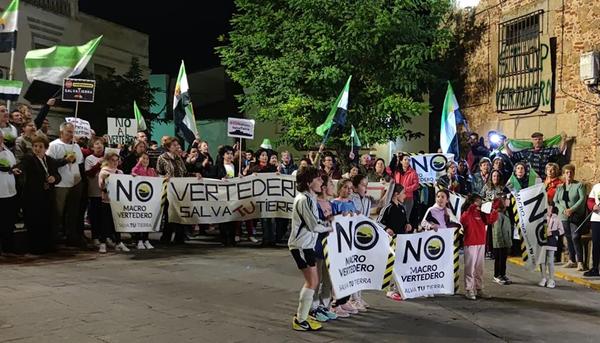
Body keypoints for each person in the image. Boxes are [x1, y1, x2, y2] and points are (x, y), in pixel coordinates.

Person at [288, 166, 332, 331]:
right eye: (318, 179)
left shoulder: (309, 197)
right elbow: (313, 225)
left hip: (306, 245)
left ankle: (302, 317)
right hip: (301, 246)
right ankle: (300, 320)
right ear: (308, 182)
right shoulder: (304, 200)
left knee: (312, 281)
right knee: (312, 282)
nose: (322, 182)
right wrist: (329, 226)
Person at [19, 135, 61, 254]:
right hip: (33, 197)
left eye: (40, 146)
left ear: (46, 148)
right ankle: (35, 247)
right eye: (35, 146)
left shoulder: (50, 160)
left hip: (47, 196)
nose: (37, 149)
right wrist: (19, 169)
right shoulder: (29, 159)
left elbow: (58, 176)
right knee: (34, 222)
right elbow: (22, 165)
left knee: (48, 221)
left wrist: (54, 178)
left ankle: (48, 245)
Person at [46, 122, 85, 247]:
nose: (71, 134)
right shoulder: (54, 145)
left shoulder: (76, 147)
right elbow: (49, 164)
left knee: (73, 211)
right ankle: (54, 237)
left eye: (72, 132)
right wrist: (64, 161)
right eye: (68, 132)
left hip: (75, 182)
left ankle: (71, 235)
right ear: (61, 132)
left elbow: (79, 163)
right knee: (58, 212)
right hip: (61, 184)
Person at [377, 184, 412, 301]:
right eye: (403, 193)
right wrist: (386, 228)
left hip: (401, 241)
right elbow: (378, 222)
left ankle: (398, 288)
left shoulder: (402, 208)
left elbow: (405, 222)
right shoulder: (387, 208)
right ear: (396, 194)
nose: (405, 195)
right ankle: (390, 289)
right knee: (392, 265)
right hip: (390, 242)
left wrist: (408, 225)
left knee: (401, 265)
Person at [461, 194, 499, 300]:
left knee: (479, 269)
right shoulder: (467, 213)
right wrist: (472, 206)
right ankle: (469, 290)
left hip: (481, 243)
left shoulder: (481, 214)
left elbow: (491, 219)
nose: (480, 203)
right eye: (478, 201)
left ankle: (479, 289)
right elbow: (463, 221)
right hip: (470, 243)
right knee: (470, 268)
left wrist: (494, 209)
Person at [311, 175, 338, 321]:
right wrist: (327, 222)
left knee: (328, 277)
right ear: (323, 188)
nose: (333, 187)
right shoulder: (315, 203)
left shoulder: (331, 204)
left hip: (330, 245)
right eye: (331, 185)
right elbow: (314, 223)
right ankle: (313, 307)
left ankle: (324, 305)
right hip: (318, 245)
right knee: (317, 277)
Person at [553, 164, 587, 271]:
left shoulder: (579, 185)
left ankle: (580, 262)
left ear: (574, 173)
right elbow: (556, 201)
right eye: (567, 172)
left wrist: (572, 209)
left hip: (575, 215)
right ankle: (572, 260)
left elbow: (582, 199)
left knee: (575, 236)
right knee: (568, 237)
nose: (569, 174)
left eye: (571, 172)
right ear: (563, 174)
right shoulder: (560, 187)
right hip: (564, 216)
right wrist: (563, 210)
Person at [157, 137, 188, 244]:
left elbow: (184, 172)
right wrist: (165, 177)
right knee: (169, 213)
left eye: (177, 145)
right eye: (174, 145)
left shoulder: (178, 158)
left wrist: (195, 174)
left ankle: (179, 237)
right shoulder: (162, 158)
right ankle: (166, 236)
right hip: (168, 189)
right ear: (168, 147)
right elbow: (159, 173)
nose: (177, 147)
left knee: (180, 213)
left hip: (180, 190)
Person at [98, 152, 129, 253]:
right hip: (106, 201)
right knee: (105, 223)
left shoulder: (120, 172)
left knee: (117, 223)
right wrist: (105, 180)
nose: (115, 162)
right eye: (112, 160)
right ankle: (102, 243)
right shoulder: (103, 172)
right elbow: (101, 187)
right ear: (107, 161)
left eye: (117, 160)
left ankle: (119, 242)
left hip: (118, 202)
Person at [131, 151, 157, 250]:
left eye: (147, 158)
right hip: (138, 199)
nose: (145, 160)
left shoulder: (152, 170)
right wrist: (137, 166)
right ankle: (139, 240)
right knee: (139, 221)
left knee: (147, 221)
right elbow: (133, 172)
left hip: (149, 200)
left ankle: (146, 240)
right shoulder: (137, 169)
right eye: (143, 158)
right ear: (138, 160)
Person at [0, 130, 20, 255]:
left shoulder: (8, 153)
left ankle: (8, 247)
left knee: (8, 222)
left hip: (9, 192)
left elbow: (12, 167)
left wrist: (14, 170)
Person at [85, 138, 105, 246]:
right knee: (95, 216)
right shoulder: (89, 159)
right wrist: (98, 164)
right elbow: (89, 174)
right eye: (97, 144)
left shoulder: (108, 157)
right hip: (94, 192)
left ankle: (104, 237)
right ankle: (95, 237)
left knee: (104, 217)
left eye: (101, 144)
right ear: (92, 147)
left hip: (106, 193)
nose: (99, 146)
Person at [389, 153, 419, 219]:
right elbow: (389, 170)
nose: (407, 161)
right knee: (396, 216)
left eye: (408, 160)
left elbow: (416, 185)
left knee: (405, 216)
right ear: (401, 161)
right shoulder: (397, 172)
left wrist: (406, 189)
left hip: (408, 197)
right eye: (405, 160)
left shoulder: (413, 172)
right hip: (397, 197)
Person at [539, 206, 564, 288]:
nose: (548, 209)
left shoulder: (557, 218)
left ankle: (551, 279)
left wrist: (552, 233)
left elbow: (561, 230)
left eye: (550, 207)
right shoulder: (542, 217)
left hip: (551, 241)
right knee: (542, 261)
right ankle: (543, 278)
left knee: (550, 261)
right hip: (542, 241)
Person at [492, 196, 512, 285]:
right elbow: (497, 230)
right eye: (505, 200)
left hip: (505, 241)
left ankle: (503, 274)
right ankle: (497, 276)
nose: (508, 201)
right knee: (499, 259)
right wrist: (500, 243)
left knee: (503, 260)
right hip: (499, 242)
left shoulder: (505, 213)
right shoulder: (498, 214)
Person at [584, 182, 600, 277]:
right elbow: (590, 200)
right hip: (597, 219)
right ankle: (595, 268)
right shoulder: (596, 187)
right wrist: (593, 206)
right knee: (596, 244)